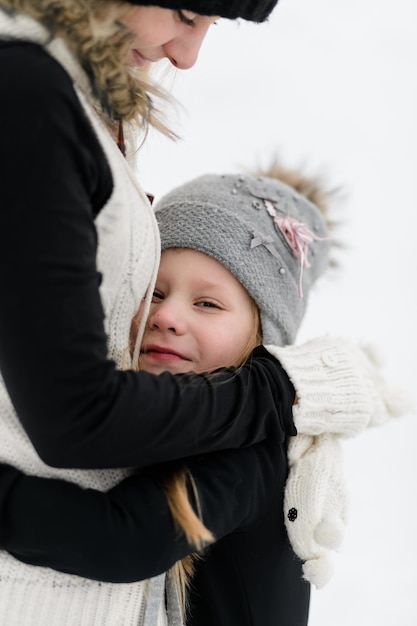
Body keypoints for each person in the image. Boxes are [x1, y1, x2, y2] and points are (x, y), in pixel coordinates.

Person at [0, 165, 404, 625]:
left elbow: (124, 539)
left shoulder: (252, 452)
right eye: (154, 292)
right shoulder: (184, 421)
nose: (167, 316)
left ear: (265, 338)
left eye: (207, 303)